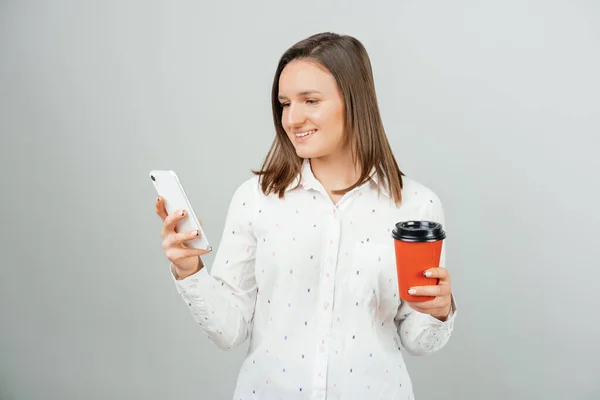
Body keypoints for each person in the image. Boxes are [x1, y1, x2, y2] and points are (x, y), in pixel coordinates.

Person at [155, 32, 456, 400]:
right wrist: (189, 270)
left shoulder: (415, 207)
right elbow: (228, 331)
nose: (292, 118)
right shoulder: (256, 199)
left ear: (354, 102)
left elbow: (418, 340)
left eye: (310, 100)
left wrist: (439, 311)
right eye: (284, 104)